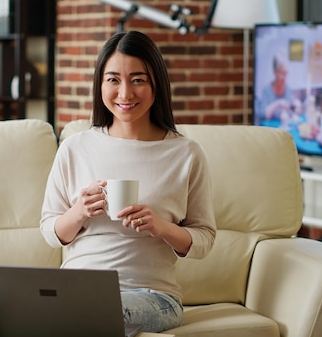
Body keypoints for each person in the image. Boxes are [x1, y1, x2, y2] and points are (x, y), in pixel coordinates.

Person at [40, 31, 216, 333]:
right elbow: (50, 230)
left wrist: (160, 227)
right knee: (31, 312)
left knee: (100, 313)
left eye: (138, 80)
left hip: (153, 297)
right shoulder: (74, 148)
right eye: (113, 80)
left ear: (155, 84)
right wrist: (79, 211)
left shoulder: (186, 154)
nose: (125, 93)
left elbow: (204, 239)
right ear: (100, 85)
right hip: (76, 291)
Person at [255, 49, 297, 126]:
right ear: (274, 72)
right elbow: (264, 115)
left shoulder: (287, 89)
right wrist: (278, 103)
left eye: (285, 73)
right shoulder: (266, 90)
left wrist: (295, 106)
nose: (283, 77)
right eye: (281, 73)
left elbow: (291, 113)